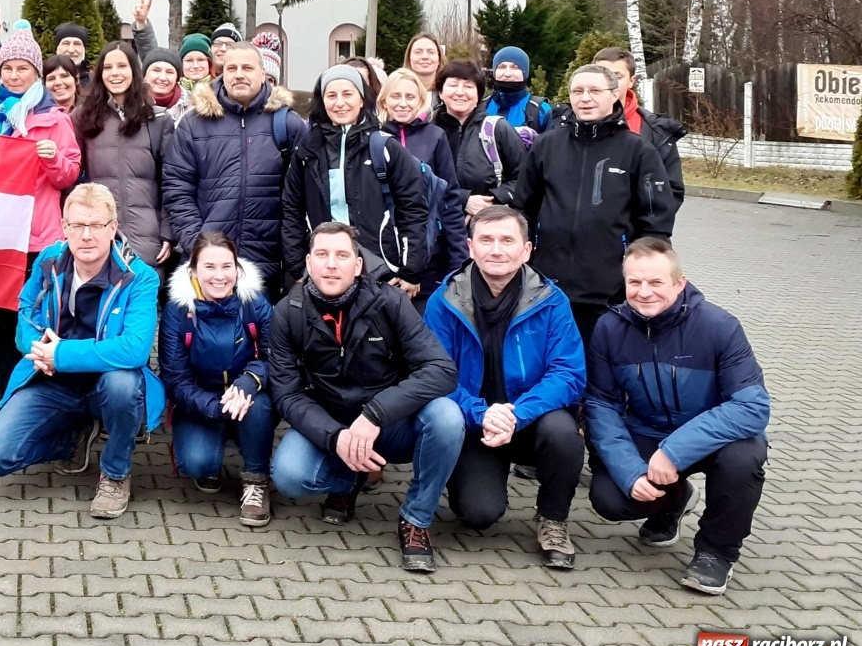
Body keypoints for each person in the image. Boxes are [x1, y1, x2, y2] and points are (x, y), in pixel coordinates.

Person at [269, 222, 463, 574]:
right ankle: (349, 479)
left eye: (342, 255)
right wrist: (336, 437)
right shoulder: (287, 312)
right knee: (288, 475)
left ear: (357, 265)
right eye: (323, 255)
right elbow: (286, 393)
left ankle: (416, 519)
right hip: (330, 423)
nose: (332, 264)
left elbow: (441, 370)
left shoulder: (391, 303)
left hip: (388, 425)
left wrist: (375, 414)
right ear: (309, 263)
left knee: (447, 416)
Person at [586, 239, 770, 595]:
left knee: (743, 457)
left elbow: (752, 407)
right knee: (609, 498)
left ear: (679, 283)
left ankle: (716, 554)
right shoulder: (609, 329)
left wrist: (674, 450)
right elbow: (600, 404)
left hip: (713, 436)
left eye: (656, 282)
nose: (644, 292)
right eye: (634, 283)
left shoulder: (719, 326)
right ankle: (674, 501)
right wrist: (629, 470)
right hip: (647, 432)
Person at [0, 184, 164, 520]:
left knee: (123, 385)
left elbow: (135, 349)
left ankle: (115, 474)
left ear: (112, 228)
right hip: (51, 380)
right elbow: (25, 314)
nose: (87, 235)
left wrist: (60, 354)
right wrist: (38, 350)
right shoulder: (48, 261)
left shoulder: (140, 277)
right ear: (64, 227)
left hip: (105, 383)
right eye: (77, 225)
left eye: (96, 226)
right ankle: (73, 438)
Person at [424, 206, 586, 569]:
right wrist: (481, 414)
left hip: (530, 421)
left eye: (507, 240)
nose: (496, 250)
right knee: (478, 514)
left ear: (527, 250)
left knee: (563, 431)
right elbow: (434, 374)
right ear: (470, 247)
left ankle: (553, 519)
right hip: (473, 425)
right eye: (486, 240)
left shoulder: (552, 301)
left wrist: (518, 413)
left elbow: (569, 374)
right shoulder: (443, 302)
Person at [494, 64, 676, 346]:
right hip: (548, 287)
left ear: (614, 94)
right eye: (577, 91)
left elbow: (655, 223)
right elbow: (523, 210)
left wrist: (639, 275)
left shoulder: (638, 151)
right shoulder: (547, 146)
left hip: (609, 292)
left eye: (594, 90)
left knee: (601, 375)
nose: (585, 98)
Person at [0, 21, 82, 396]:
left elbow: (69, 175)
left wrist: (53, 159)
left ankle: (38, 392)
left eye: (23, 68)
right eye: (8, 68)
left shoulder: (55, 120)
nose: (15, 75)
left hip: (39, 236)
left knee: (37, 315)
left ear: (36, 73)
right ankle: (3, 390)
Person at [163, 43, 306, 298]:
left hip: (266, 266)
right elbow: (177, 189)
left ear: (263, 74)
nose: (239, 74)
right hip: (208, 267)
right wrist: (199, 244)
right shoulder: (194, 125)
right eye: (232, 68)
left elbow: (302, 196)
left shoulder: (287, 124)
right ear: (221, 73)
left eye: (248, 67)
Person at [280, 65, 430, 299]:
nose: (340, 103)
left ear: (362, 100)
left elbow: (413, 209)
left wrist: (411, 270)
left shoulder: (385, 148)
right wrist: (299, 267)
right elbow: (292, 211)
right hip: (323, 274)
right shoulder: (306, 152)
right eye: (331, 95)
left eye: (347, 94)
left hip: (381, 271)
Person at [160, 231, 274, 525]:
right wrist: (215, 407)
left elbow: (276, 356)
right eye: (209, 267)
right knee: (197, 464)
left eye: (227, 266)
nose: (219, 276)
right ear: (193, 270)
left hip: (247, 396)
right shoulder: (177, 310)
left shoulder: (255, 302)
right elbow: (175, 378)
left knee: (258, 404)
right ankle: (218, 436)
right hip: (201, 400)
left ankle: (257, 481)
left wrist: (249, 380)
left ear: (237, 268)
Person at [72, 41, 172, 268]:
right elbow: (72, 179)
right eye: (108, 67)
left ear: (134, 72)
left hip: (148, 241)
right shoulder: (82, 117)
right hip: (97, 238)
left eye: (122, 66)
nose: (115, 73)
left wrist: (168, 232)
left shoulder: (157, 119)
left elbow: (170, 181)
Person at [378, 67, 469, 306]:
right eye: (396, 96)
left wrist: (459, 262)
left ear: (420, 100)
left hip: (430, 256)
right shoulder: (373, 138)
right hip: (383, 254)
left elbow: (449, 198)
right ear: (384, 101)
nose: (403, 103)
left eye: (410, 97)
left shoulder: (435, 137)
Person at [594, 46, 686, 209]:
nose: (610, 83)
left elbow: (669, 192)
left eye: (617, 76)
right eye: (603, 75)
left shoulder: (656, 132)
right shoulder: (566, 124)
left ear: (632, 81)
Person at [434, 59, 524, 209]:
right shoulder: (428, 131)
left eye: (468, 86)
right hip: (439, 224)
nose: (460, 92)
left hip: (489, 222)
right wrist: (463, 199)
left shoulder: (497, 130)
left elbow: (523, 177)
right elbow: (420, 180)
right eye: (453, 85)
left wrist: (493, 199)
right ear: (440, 93)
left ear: (478, 95)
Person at [485, 45, 553, 134]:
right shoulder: (481, 106)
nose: (507, 73)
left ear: (525, 72)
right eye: (502, 67)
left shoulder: (541, 110)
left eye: (515, 67)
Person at [143, 46, 193, 125]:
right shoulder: (129, 105)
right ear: (145, 75)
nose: (163, 78)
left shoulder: (192, 107)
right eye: (156, 70)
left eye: (169, 72)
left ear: (177, 78)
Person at [403, 31, 445, 113]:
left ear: (439, 58)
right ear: (409, 58)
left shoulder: (448, 93)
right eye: (418, 52)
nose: (425, 57)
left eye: (431, 52)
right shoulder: (395, 91)